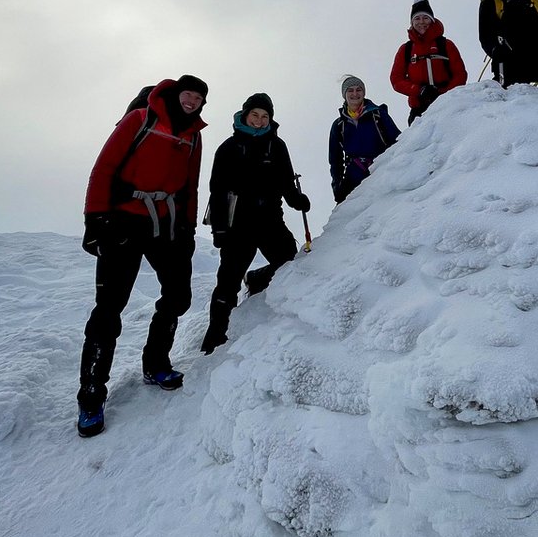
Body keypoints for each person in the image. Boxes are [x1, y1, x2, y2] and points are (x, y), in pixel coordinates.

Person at [76, 74, 209, 438]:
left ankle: (155, 363)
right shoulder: (140, 119)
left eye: (199, 98)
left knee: (179, 295)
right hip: (121, 221)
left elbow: (190, 186)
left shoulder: (194, 136)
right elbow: (103, 168)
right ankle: (91, 395)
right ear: (176, 94)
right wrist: (95, 219)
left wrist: (187, 228)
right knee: (109, 309)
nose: (192, 101)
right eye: (188, 94)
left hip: (164, 225)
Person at [199, 93, 310, 355]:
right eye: (255, 115)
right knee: (227, 283)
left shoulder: (277, 145)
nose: (260, 121)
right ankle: (214, 338)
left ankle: (258, 277)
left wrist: (297, 200)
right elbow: (217, 191)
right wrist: (220, 229)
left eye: (265, 117)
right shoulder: (229, 147)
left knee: (290, 265)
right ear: (245, 115)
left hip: (270, 219)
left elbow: (285, 180)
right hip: (238, 225)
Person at [390, 0, 469, 124]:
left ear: (432, 20)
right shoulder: (406, 49)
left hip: (448, 106)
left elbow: (460, 74)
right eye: (417, 18)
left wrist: (444, 95)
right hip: (418, 111)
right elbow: (396, 79)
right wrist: (419, 90)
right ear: (412, 23)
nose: (421, 22)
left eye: (425, 18)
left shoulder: (446, 45)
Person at [328, 75, 401, 203]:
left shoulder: (378, 115)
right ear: (344, 95)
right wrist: (337, 186)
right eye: (350, 90)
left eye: (358, 89)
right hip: (354, 177)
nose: (355, 93)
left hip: (381, 171)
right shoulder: (339, 125)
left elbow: (397, 140)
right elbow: (335, 160)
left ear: (364, 92)